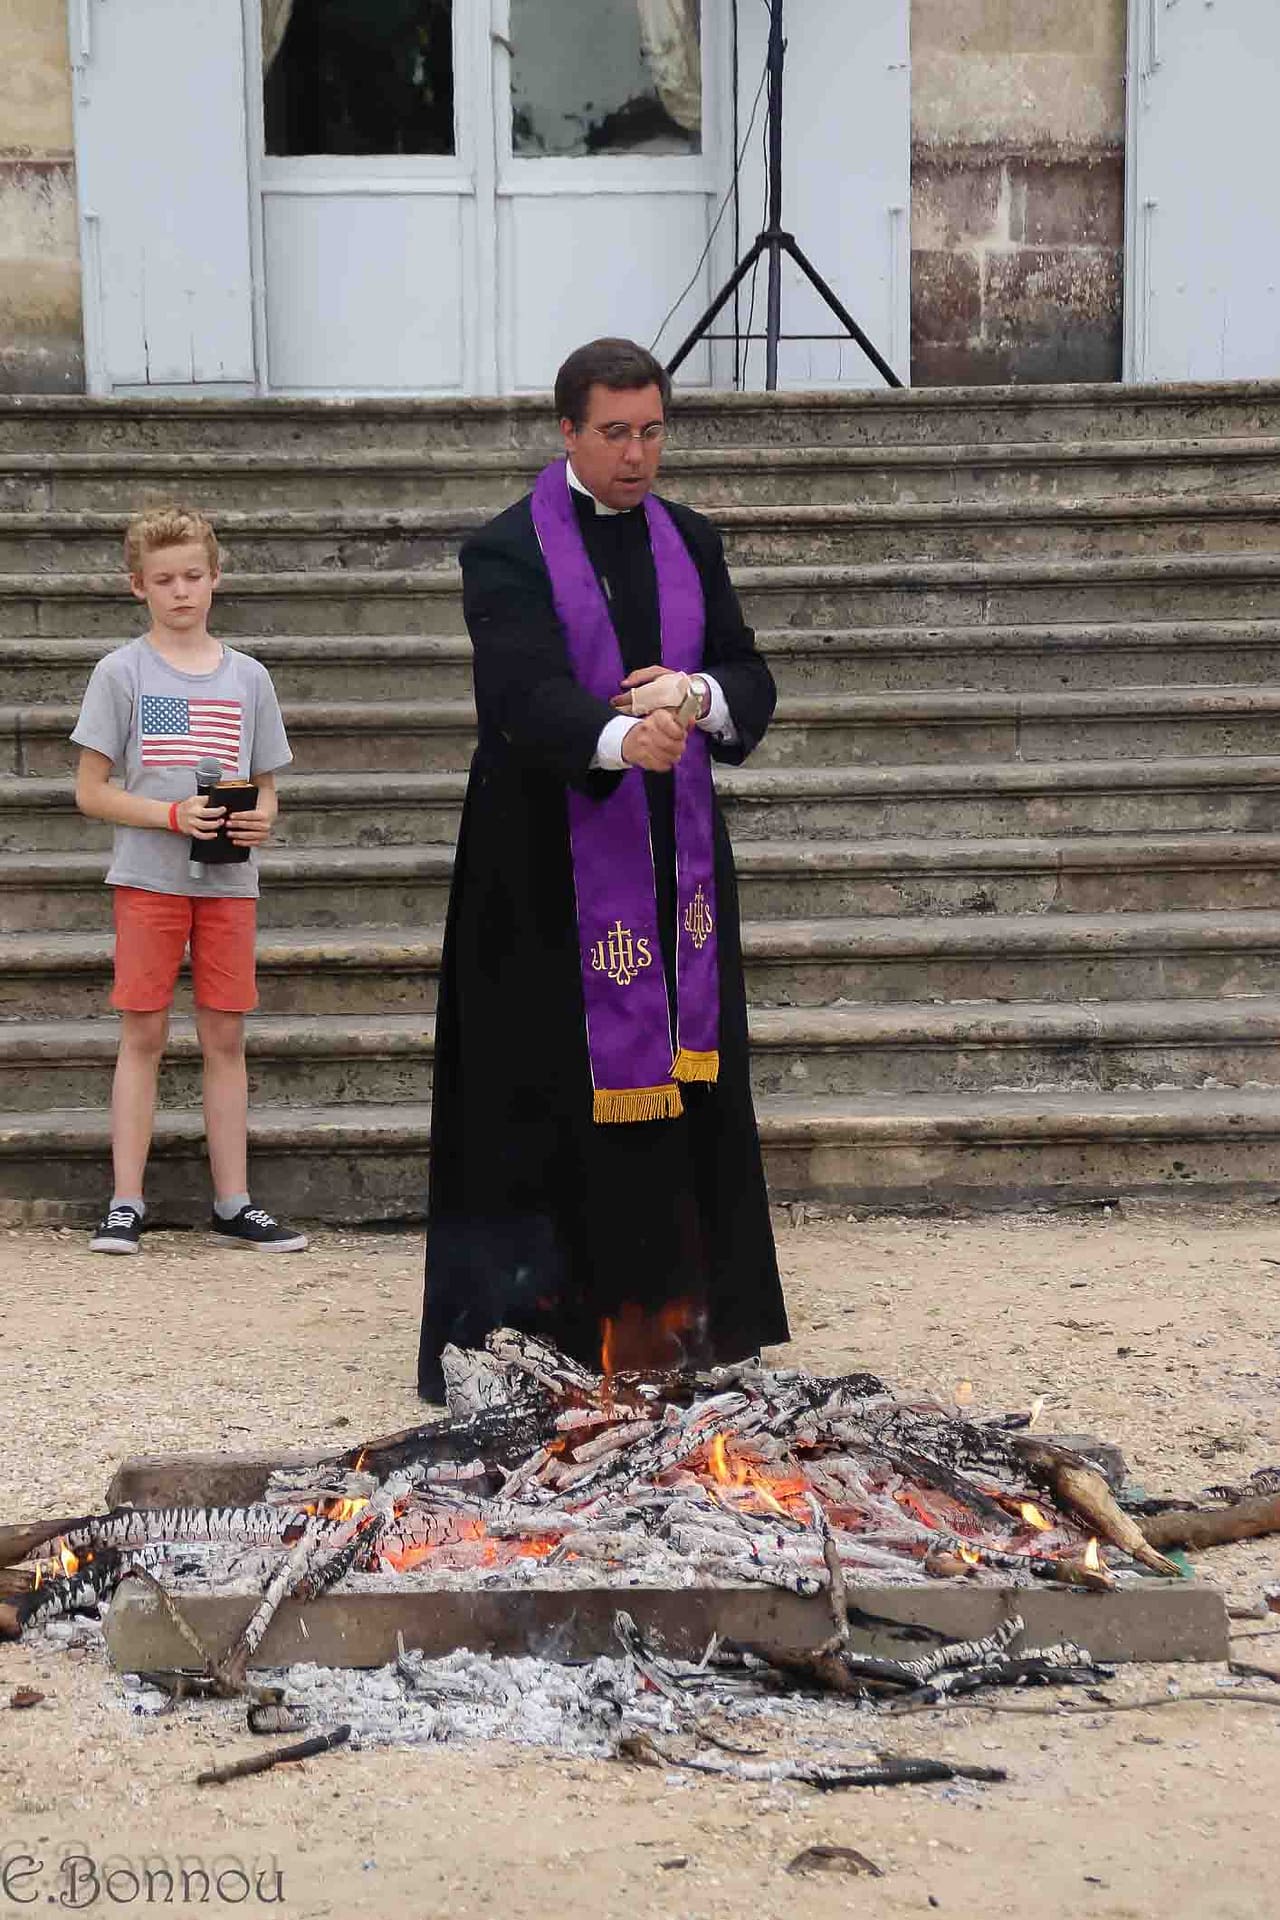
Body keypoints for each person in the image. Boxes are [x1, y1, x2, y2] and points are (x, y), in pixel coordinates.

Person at [417, 337, 790, 1397]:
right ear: (568, 432)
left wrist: (695, 696)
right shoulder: (504, 549)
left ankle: (679, 1327)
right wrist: (623, 738)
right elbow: (520, 695)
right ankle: (540, 1334)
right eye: (615, 433)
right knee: (541, 1090)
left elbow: (748, 673)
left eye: (652, 431)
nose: (636, 455)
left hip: (672, 863)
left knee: (682, 1091)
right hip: (540, 863)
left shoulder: (691, 539)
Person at [70, 505, 307, 1255]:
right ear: (137, 585)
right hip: (148, 879)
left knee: (225, 1036)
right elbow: (90, 791)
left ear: (216, 578)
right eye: (165, 579)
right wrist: (171, 816)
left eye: (193, 576)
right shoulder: (121, 672)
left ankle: (234, 1202)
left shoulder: (249, 677)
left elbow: (266, 787)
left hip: (229, 884)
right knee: (142, 1032)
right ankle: (125, 1201)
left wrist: (261, 819)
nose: (181, 591)